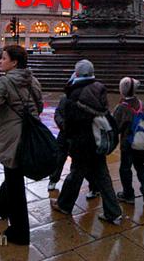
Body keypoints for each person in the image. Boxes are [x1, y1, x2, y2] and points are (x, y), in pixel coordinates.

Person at [0, 45, 42, 245]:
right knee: (14, 175)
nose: (0, 61)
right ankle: (1, 206)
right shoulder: (33, 81)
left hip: (12, 136)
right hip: (31, 134)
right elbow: (39, 106)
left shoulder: (4, 83)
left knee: (15, 184)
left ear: (14, 62)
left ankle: (19, 232)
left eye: (4, 58)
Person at [51, 59, 122, 225]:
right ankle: (112, 211)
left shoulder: (74, 93)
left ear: (77, 73)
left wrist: (63, 126)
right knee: (102, 175)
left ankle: (64, 205)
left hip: (81, 141)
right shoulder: (99, 88)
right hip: (98, 140)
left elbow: (69, 124)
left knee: (76, 173)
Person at [47, 70, 99, 198]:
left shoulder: (87, 98)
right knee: (59, 158)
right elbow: (58, 112)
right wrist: (63, 125)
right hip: (64, 133)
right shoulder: (65, 98)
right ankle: (54, 179)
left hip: (77, 136)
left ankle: (93, 187)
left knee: (81, 165)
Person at [113, 77, 144, 204]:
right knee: (140, 165)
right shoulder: (142, 104)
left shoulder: (121, 108)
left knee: (125, 168)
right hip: (141, 142)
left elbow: (116, 127)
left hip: (128, 144)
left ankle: (128, 194)